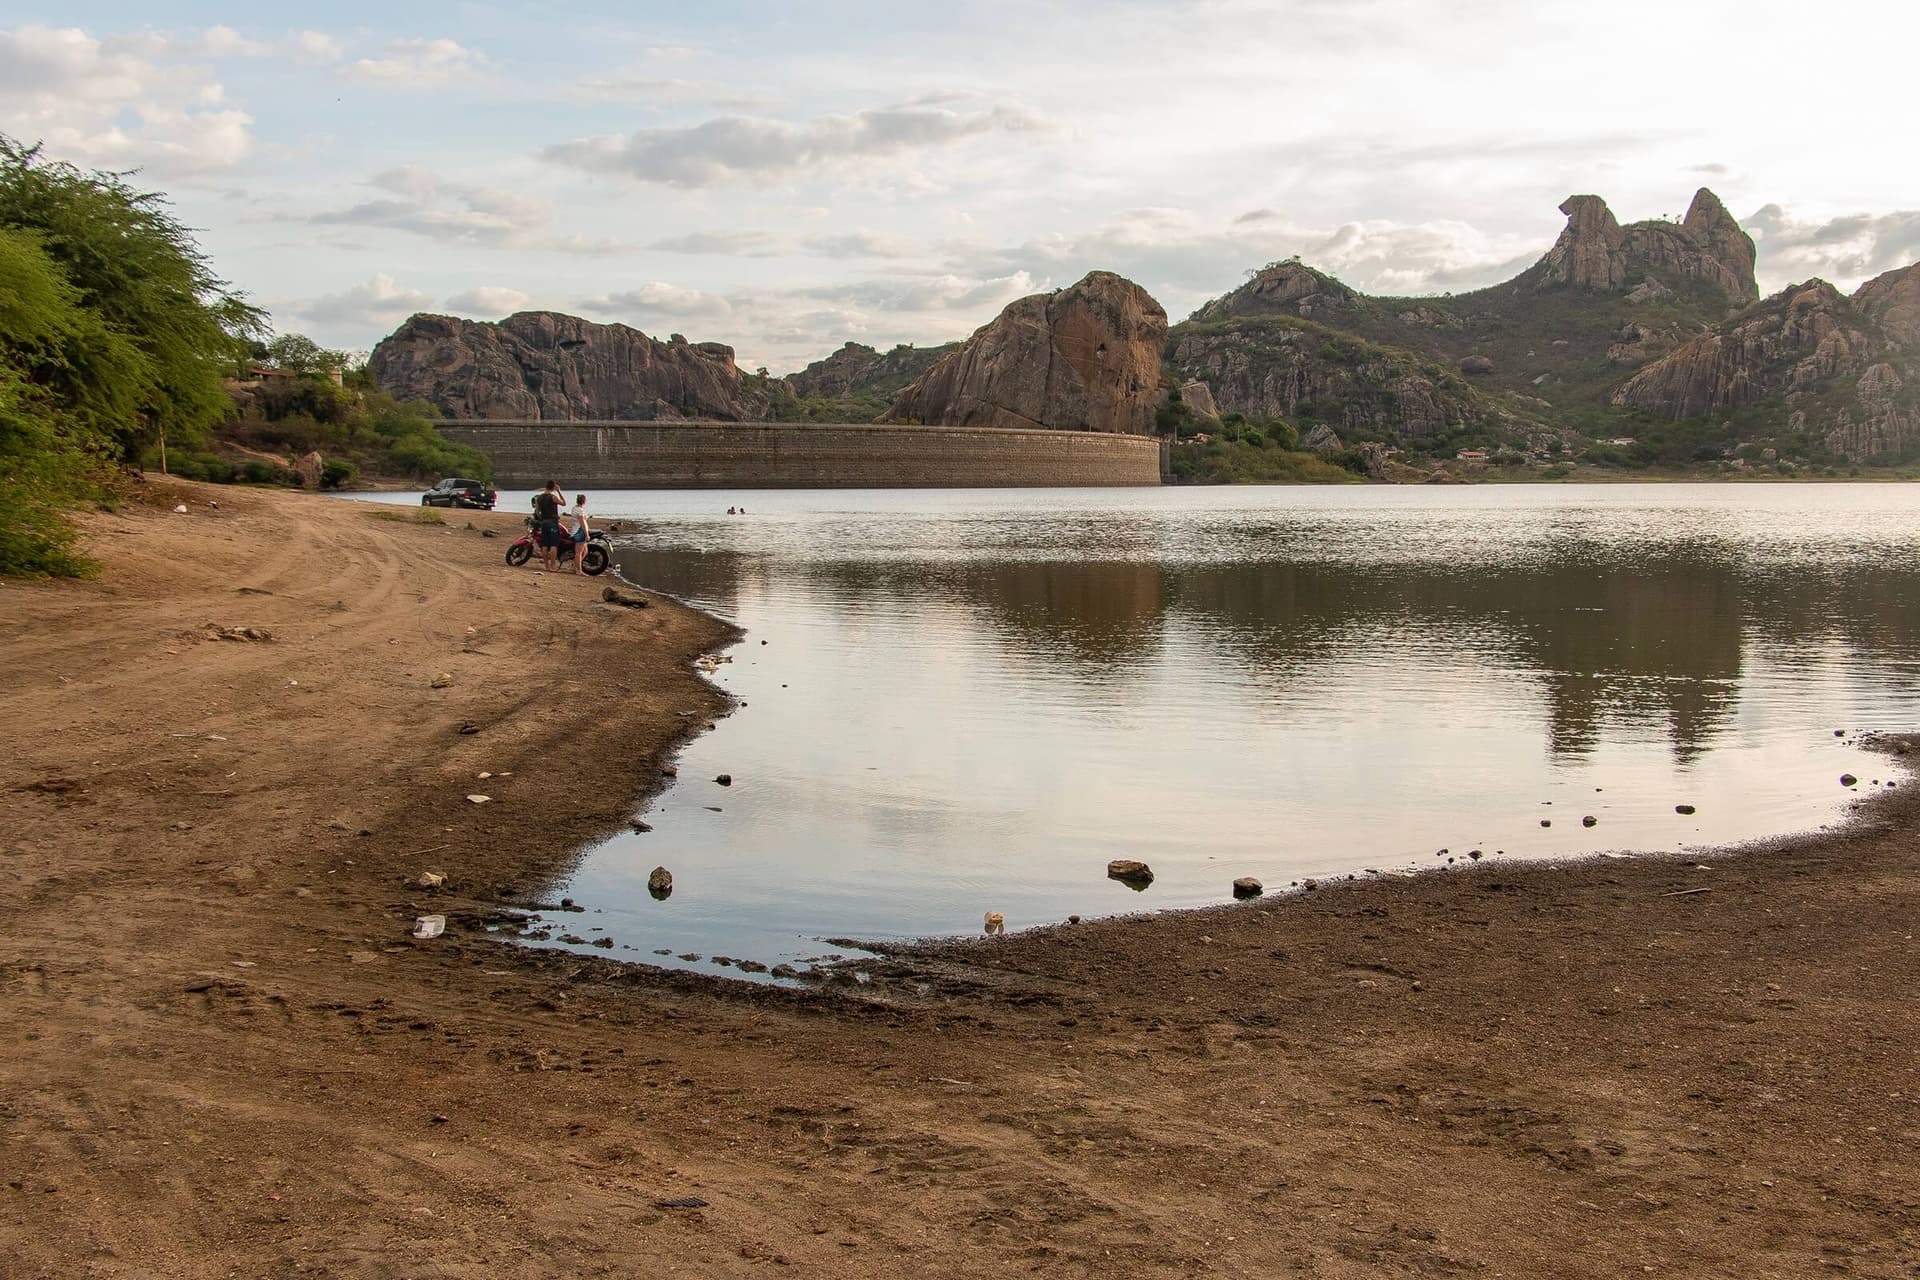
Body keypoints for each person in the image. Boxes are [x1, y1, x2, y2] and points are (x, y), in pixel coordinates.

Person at [532, 481, 565, 572]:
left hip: (544, 522)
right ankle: (553, 566)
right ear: (553, 488)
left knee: (545, 544)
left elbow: (537, 511)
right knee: (554, 544)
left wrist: (542, 518)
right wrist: (559, 492)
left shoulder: (539, 498)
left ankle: (546, 566)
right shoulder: (553, 497)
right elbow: (563, 503)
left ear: (545, 487)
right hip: (552, 522)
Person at [568, 493, 590, 573]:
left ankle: (575, 566)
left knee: (585, 550)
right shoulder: (580, 510)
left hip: (575, 530)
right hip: (579, 532)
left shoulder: (575, 508)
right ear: (584, 501)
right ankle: (579, 570)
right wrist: (586, 534)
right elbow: (582, 523)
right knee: (578, 553)